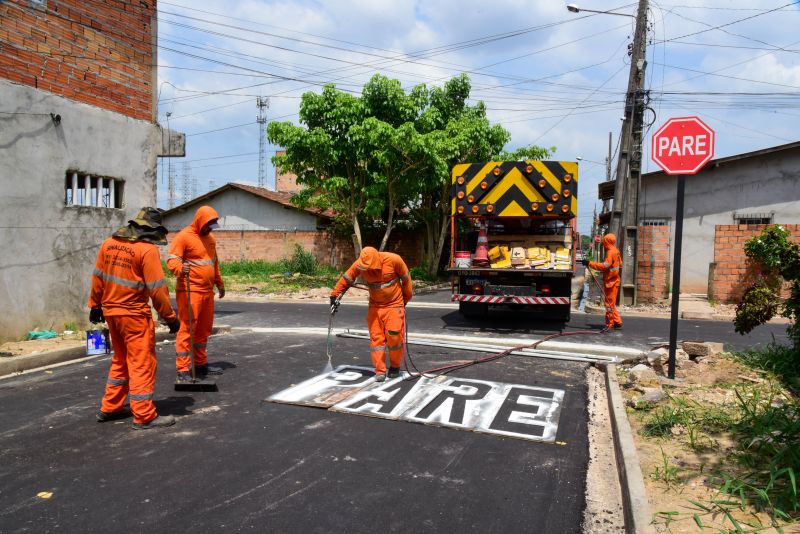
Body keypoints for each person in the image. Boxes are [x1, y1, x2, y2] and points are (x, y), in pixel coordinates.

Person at [89, 207, 180, 430]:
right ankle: (144, 415)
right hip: (134, 316)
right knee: (141, 363)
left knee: (121, 360)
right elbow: (157, 290)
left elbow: (98, 276)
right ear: (153, 229)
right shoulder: (146, 250)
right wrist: (170, 317)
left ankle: (110, 407)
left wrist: (94, 305)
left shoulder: (109, 243)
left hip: (111, 313)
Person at [330, 246, 413, 382]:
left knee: (394, 336)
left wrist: (405, 300)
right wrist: (334, 296)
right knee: (377, 339)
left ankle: (395, 366)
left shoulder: (394, 260)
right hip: (375, 307)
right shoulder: (361, 264)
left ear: (376, 261)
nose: (366, 271)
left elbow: (407, 280)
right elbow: (347, 277)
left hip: (394, 305)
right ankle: (380, 371)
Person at [167, 206, 225, 382]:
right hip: (190, 291)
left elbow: (214, 263)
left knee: (203, 331)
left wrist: (219, 283)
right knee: (187, 329)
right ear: (200, 221)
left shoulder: (210, 239)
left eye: (212, 226)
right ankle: (183, 369)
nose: (210, 229)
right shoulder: (184, 237)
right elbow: (171, 260)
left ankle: (200, 365)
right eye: (208, 225)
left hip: (207, 292)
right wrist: (179, 268)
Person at [585, 233, 623, 330]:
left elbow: (604, 266)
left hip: (611, 282)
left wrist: (590, 263)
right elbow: (620, 264)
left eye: (604, 241)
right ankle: (617, 322)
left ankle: (610, 324)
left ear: (607, 241)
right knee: (612, 304)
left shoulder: (610, 252)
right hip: (614, 281)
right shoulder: (616, 250)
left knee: (609, 305)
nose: (603, 242)